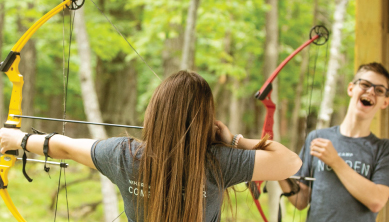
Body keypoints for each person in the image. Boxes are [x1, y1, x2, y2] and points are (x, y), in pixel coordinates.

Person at [0, 70, 302, 222]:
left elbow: (65, 147)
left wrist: (18, 140)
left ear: (155, 112)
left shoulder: (125, 156)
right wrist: (233, 139)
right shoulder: (219, 162)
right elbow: (291, 163)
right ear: (207, 118)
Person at [279, 62, 389, 222]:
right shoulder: (317, 138)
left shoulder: (385, 149)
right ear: (351, 88)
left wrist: (335, 161)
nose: (371, 91)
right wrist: (278, 170)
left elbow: (376, 201)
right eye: (365, 84)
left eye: (379, 90)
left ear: (385, 102)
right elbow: (301, 201)